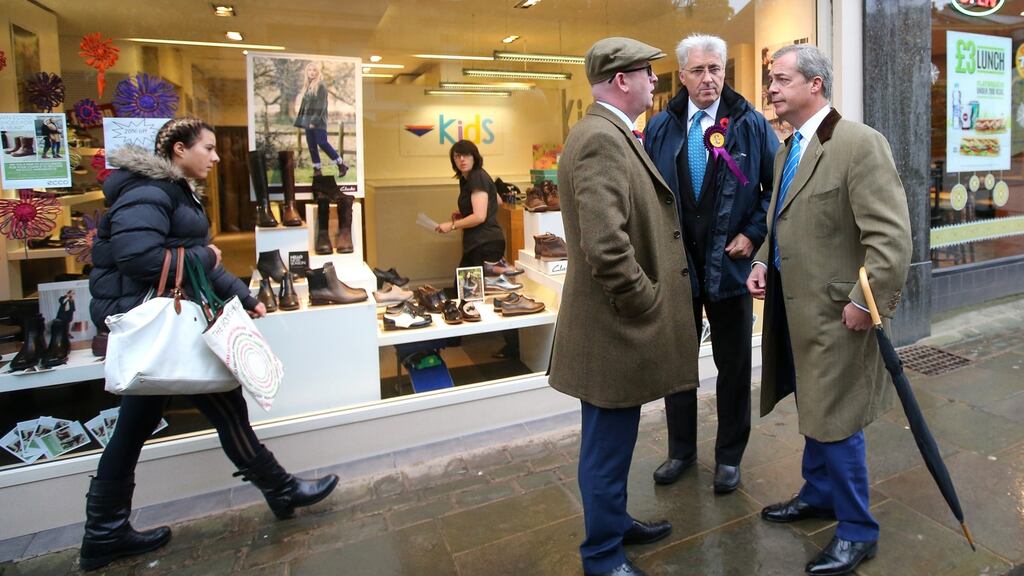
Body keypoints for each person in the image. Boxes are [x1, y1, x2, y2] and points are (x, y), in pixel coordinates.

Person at [81, 117, 338, 571]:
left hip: (170, 323)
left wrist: (244, 296)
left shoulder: (172, 191)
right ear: (179, 149)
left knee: (144, 425)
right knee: (220, 408)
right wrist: (205, 255)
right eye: (209, 148)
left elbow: (197, 263)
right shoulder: (150, 192)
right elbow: (139, 258)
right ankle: (281, 490)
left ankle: (105, 532)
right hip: (161, 324)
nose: (217, 158)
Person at [746, 44, 911, 575]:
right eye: (771, 80)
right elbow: (783, 220)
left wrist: (866, 302)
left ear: (814, 84)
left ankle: (858, 531)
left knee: (837, 421)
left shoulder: (859, 144)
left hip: (841, 315)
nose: (771, 89)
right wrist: (763, 260)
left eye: (781, 79)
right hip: (795, 311)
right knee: (814, 405)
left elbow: (891, 241)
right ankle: (818, 494)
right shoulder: (787, 149)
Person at [549, 37, 700, 576]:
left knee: (613, 441)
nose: (654, 81)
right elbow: (605, 245)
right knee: (606, 450)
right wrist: (643, 301)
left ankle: (613, 524)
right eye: (647, 73)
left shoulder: (609, 133)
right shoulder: (600, 139)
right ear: (621, 80)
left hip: (614, 327)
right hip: (614, 328)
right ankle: (602, 557)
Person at [644, 34, 777, 493]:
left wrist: (753, 233)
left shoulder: (750, 124)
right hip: (678, 268)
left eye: (716, 69)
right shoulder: (661, 127)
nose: (708, 78)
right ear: (682, 75)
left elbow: (776, 188)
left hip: (731, 268)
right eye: (698, 70)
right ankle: (681, 451)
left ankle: (729, 457)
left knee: (734, 366)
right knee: (678, 366)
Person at [435, 139, 518, 357]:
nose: (462, 159)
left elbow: (480, 216)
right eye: (457, 156)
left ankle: (514, 345)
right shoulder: (469, 179)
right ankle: (455, 338)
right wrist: (464, 215)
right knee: (465, 289)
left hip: (485, 243)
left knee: (492, 291)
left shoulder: (477, 177)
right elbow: (497, 201)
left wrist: (453, 225)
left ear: (475, 157)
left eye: (467, 155)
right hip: (480, 243)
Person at [294, 62, 348, 178]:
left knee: (322, 142)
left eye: (314, 70)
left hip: (318, 121)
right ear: (306, 72)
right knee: (311, 145)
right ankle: (317, 170)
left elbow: (321, 105)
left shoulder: (321, 86)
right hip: (307, 120)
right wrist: (302, 120)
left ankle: (341, 164)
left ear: (318, 72)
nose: (312, 72)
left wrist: (314, 121)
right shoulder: (307, 86)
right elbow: (305, 105)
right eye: (309, 70)